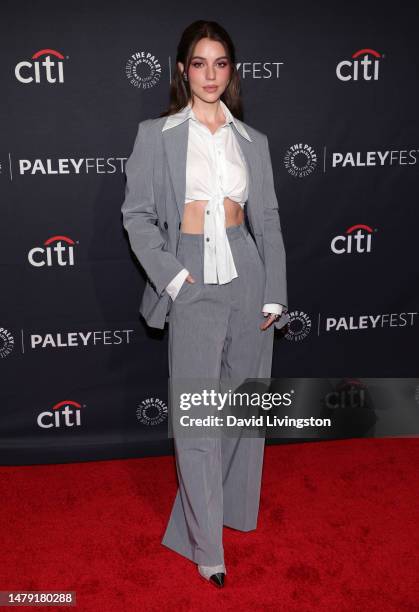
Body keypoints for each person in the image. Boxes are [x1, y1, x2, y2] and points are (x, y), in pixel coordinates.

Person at [121, 20, 289, 588]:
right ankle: (206, 547)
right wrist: (173, 279)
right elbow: (137, 216)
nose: (210, 74)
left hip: (247, 272)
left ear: (231, 72)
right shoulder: (157, 134)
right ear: (182, 69)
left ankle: (226, 512)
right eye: (200, 63)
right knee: (197, 414)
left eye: (220, 63)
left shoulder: (254, 142)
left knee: (244, 407)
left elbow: (265, 218)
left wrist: (275, 289)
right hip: (190, 276)